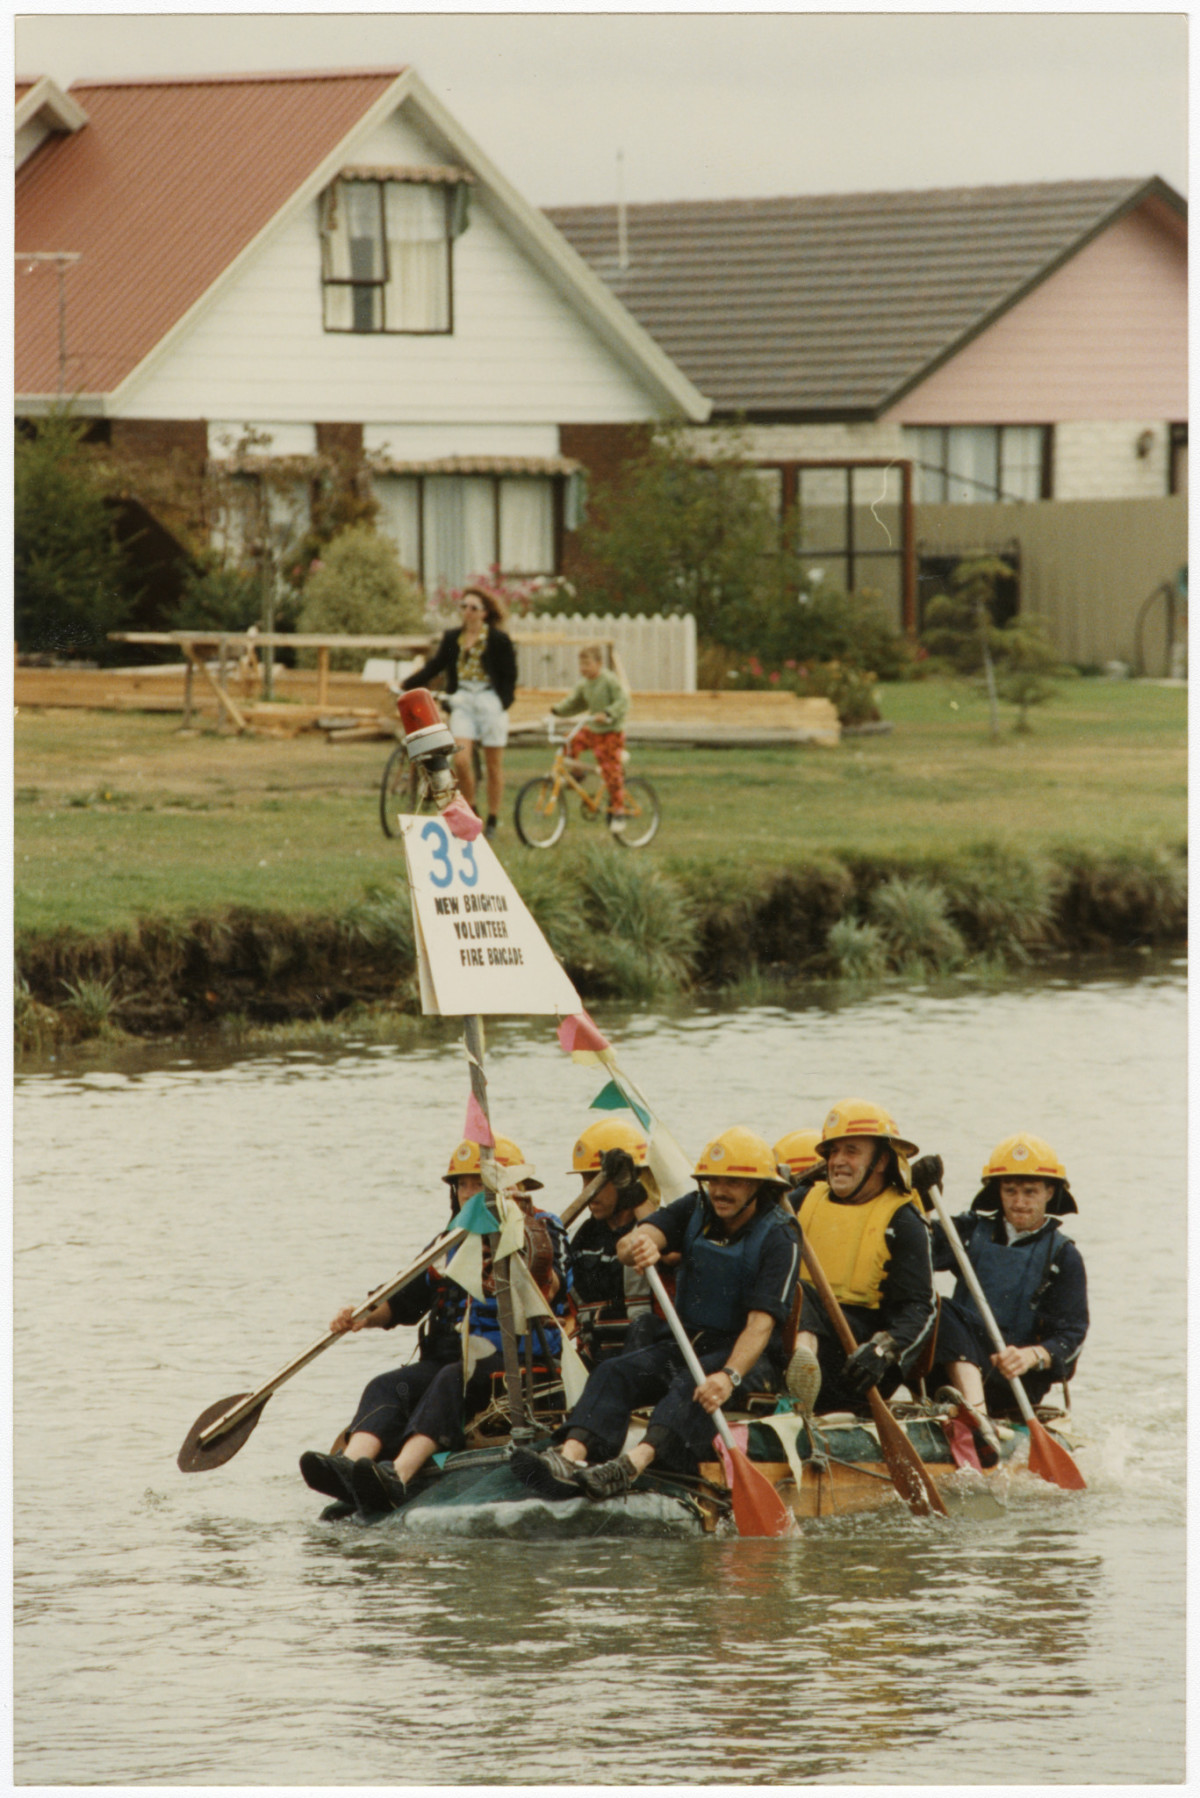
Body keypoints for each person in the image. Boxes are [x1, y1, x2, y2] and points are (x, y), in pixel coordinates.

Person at [511, 1127, 800, 1502]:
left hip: (750, 1360)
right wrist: (638, 1245)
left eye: (734, 1182)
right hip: (689, 1343)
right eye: (714, 1180)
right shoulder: (696, 1208)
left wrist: (728, 1377)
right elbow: (634, 1238)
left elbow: (761, 1324)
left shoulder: (781, 1237)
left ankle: (631, 1465)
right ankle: (570, 1458)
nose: (720, 1190)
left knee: (689, 1386)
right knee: (614, 1371)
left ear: (759, 1188)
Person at [299, 1136, 569, 1514]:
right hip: (451, 1358)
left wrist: (519, 1239)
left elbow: (555, 1287)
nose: (468, 1194)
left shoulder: (543, 1227)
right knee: (387, 1385)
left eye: (478, 1184)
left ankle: (399, 1474)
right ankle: (352, 1468)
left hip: (518, 1360)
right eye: (462, 1185)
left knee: (451, 1378)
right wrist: (363, 1315)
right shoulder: (450, 1240)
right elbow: (403, 1299)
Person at [930, 1134, 1088, 1460]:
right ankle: (971, 1411)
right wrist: (916, 1195)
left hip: (1014, 1382)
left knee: (947, 1311)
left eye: (1030, 1191)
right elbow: (914, 1247)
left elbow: (1071, 1337)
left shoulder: (1063, 1256)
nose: (1019, 1201)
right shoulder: (970, 1232)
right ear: (997, 1192)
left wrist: (1033, 1355)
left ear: (1050, 1192)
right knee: (934, 1308)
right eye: (1010, 1190)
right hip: (954, 1369)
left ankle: (980, 1423)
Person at [786, 1098, 936, 1418]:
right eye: (833, 1152)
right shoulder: (799, 1200)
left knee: (804, 1295)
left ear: (881, 1161)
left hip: (859, 1361)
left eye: (851, 1151)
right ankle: (798, 1373)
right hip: (794, 1336)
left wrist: (882, 1350)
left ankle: (800, 1374)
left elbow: (919, 1309)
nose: (838, 1161)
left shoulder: (905, 1222)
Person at [401, 586, 517, 839]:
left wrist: (503, 703)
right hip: (463, 698)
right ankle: (472, 811)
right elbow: (437, 665)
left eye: (473, 607)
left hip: (489, 699)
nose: (467, 612)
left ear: (485, 613)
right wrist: (408, 684)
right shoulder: (454, 638)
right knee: (462, 759)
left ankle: (494, 818)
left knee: (493, 763)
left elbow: (509, 675)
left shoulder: (498, 640)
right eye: (463, 606)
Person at [565, 1120, 661, 1364]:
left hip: (641, 1355)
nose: (589, 1193)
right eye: (585, 1181)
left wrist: (634, 1194)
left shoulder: (658, 1225)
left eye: (598, 1181)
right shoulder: (583, 1235)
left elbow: (669, 1248)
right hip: (594, 1354)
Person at [548, 645, 630, 834]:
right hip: (593, 729)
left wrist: (608, 713)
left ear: (599, 664)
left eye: (587, 664)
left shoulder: (609, 680)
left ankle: (619, 810)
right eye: (581, 664)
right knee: (568, 742)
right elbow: (574, 702)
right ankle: (577, 774)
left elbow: (623, 701)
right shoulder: (584, 683)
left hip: (611, 731)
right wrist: (556, 710)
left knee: (610, 769)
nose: (583, 668)